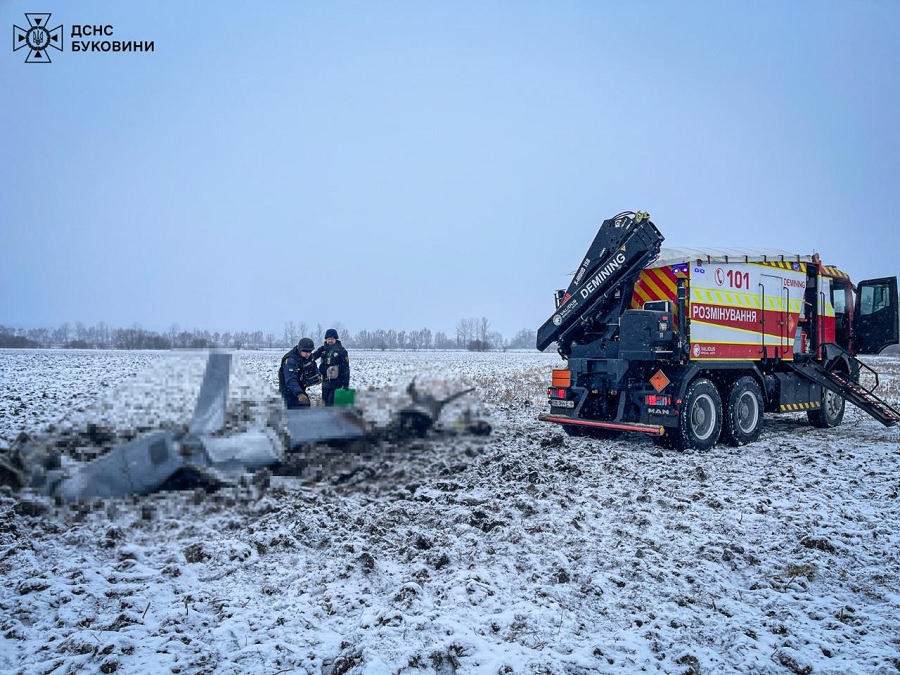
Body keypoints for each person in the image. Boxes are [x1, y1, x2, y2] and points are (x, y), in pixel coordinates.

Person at [278, 337, 321, 409]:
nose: (308, 354)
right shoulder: (291, 360)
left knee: (305, 407)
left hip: (300, 389)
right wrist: (299, 393)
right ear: (300, 350)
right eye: (306, 352)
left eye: (310, 352)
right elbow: (290, 380)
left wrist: (317, 376)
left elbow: (313, 366)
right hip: (288, 392)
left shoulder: (308, 357)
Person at [313, 328, 350, 407]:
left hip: (337, 384)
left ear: (336, 339)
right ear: (326, 339)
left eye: (332, 339)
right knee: (325, 404)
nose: (330, 341)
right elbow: (312, 357)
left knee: (332, 406)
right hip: (325, 384)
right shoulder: (322, 349)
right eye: (328, 339)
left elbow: (346, 369)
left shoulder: (342, 351)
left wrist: (345, 385)